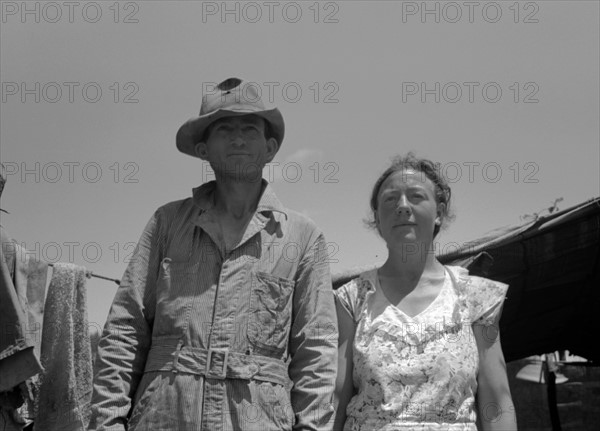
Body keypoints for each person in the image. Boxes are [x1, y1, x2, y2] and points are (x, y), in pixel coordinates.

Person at [89, 78, 338, 431]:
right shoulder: (167, 222)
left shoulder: (303, 237)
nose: (237, 138)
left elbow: (316, 351)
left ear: (269, 149)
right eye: (224, 129)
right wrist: (107, 423)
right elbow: (125, 328)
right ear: (204, 149)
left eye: (249, 128)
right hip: (162, 417)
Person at [333, 153, 516, 430]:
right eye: (390, 199)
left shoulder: (475, 297)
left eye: (416, 197)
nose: (402, 206)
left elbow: (497, 403)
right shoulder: (352, 299)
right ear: (377, 218)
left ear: (439, 212)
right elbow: (335, 398)